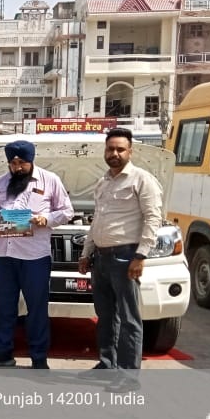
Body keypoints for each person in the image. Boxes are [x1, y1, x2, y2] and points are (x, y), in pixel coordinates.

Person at [77, 128, 163, 393]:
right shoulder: (103, 182)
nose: (114, 154)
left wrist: (141, 256)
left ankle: (128, 376)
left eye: (119, 149)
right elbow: (97, 222)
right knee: (105, 316)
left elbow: (153, 219)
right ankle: (107, 363)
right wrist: (86, 253)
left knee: (129, 318)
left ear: (130, 151)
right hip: (101, 258)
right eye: (110, 149)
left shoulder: (142, 180)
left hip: (126, 256)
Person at [0, 140, 74, 371]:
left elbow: (67, 211)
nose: (17, 167)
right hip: (4, 254)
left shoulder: (49, 180)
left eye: (22, 163)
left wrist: (46, 219)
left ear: (31, 161)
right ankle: (2, 353)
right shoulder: (2, 182)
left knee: (37, 308)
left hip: (34, 257)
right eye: (13, 163)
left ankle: (39, 357)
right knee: (2, 306)